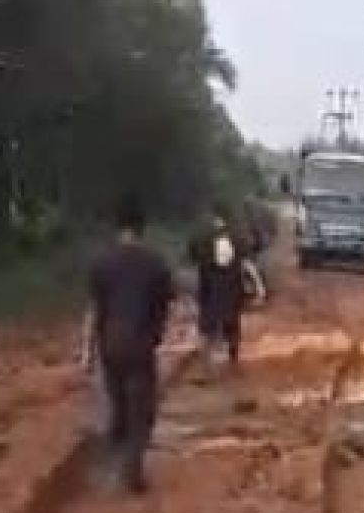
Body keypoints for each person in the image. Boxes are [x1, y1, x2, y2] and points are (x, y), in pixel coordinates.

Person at [83, 195, 176, 494]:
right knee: (142, 410)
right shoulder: (155, 263)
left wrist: (86, 353)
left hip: (109, 345)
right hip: (140, 344)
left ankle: (109, 466)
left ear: (116, 227)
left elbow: (94, 310)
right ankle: (130, 472)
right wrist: (158, 335)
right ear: (142, 228)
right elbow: (165, 306)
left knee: (119, 405)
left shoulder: (101, 262)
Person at [189, 205, 252, 370]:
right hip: (232, 289)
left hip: (209, 289)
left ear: (212, 216)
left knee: (207, 328)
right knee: (232, 326)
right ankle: (233, 361)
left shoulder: (201, 237)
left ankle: (205, 366)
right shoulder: (237, 237)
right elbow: (247, 256)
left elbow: (192, 257)